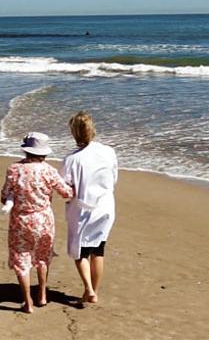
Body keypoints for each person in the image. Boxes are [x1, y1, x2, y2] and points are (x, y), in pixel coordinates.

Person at [0, 132, 73, 314]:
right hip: (43, 219)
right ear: (44, 152)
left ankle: (28, 302)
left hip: (21, 220)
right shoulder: (48, 170)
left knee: (21, 260)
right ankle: (42, 295)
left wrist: (13, 199)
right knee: (43, 257)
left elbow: (4, 196)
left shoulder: (14, 169)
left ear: (26, 150)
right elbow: (67, 193)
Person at [61, 111, 118, 305]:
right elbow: (114, 177)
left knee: (80, 252)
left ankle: (89, 289)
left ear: (74, 133)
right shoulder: (108, 151)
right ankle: (94, 291)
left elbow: (65, 189)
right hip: (105, 206)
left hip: (82, 209)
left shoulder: (72, 159)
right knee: (98, 250)